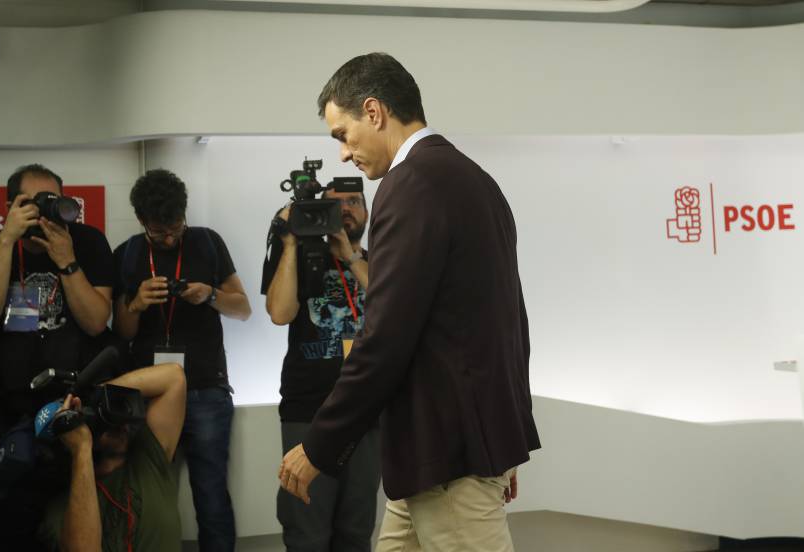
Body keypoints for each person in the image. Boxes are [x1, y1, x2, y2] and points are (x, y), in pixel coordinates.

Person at [279, 52, 541, 552]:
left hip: (447, 453)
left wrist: (319, 444)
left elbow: (383, 339)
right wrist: (502, 435)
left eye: (343, 135)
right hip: (441, 449)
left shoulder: (411, 185)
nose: (343, 154)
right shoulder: (474, 178)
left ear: (373, 111)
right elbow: (508, 321)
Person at [0, 163, 114, 547]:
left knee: (75, 518)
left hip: (73, 404)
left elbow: (96, 322)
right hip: (8, 409)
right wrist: (7, 239)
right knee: (12, 525)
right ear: (10, 207)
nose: (44, 211)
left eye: (52, 201)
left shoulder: (87, 242)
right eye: (33, 202)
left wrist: (67, 260)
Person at [113, 169, 251, 552]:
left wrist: (210, 295)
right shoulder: (128, 253)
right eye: (159, 232)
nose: (170, 238)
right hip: (150, 394)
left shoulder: (207, 242)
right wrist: (137, 303)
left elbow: (243, 309)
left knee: (211, 496)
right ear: (141, 220)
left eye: (176, 227)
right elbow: (122, 331)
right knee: (150, 495)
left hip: (205, 388)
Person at [263, 186, 380, 552]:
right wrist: (291, 244)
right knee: (307, 532)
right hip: (307, 410)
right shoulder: (299, 258)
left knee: (356, 530)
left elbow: (395, 304)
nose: (346, 210)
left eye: (354, 202)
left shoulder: (380, 262)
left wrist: (351, 258)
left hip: (366, 412)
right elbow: (279, 313)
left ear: (367, 212)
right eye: (335, 204)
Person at [37, 362, 187, 552]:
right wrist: (81, 448)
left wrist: (98, 394)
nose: (120, 424)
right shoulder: (62, 511)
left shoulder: (148, 456)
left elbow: (174, 377)